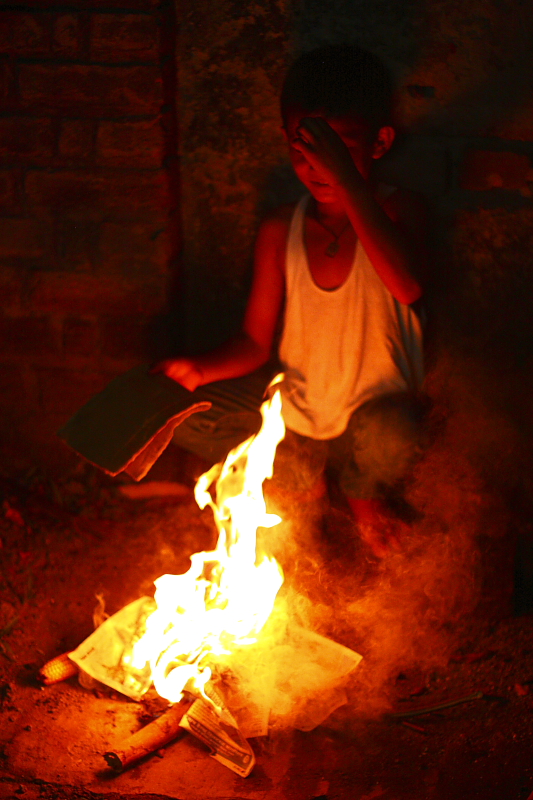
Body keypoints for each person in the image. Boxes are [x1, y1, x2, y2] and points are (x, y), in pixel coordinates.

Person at [154, 44, 428, 557]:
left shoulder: (398, 212)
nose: (316, 167)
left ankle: (363, 502)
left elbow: (409, 286)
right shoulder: (282, 228)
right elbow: (255, 342)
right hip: (303, 417)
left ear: (379, 142)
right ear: (286, 140)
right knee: (261, 470)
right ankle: (312, 512)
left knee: (391, 433)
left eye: (337, 149)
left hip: (380, 417)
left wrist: (347, 181)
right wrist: (197, 369)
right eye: (303, 149)